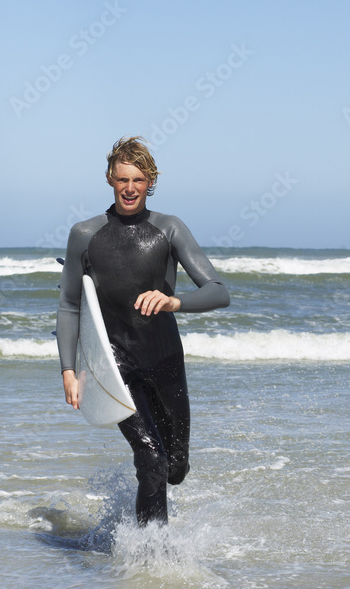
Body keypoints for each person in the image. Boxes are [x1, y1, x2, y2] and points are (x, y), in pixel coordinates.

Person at [56, 136, 230, 525]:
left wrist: (173, 302)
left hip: (164, 358)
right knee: (151, 460)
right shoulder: (85, 234)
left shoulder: (169, 229)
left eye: (138, 180)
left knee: (174, 467)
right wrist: (68, 369)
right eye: (122, 179)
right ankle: (151, 552)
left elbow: (219, 292)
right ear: (109, 179)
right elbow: (69, 304)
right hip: (114, 364)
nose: (130, 188)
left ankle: (143, 524)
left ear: (150, 181)